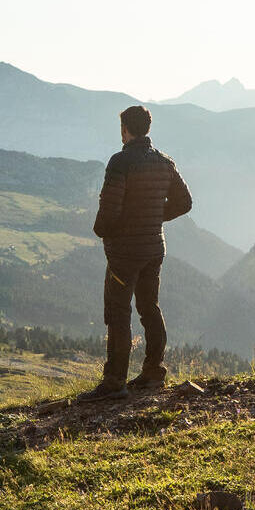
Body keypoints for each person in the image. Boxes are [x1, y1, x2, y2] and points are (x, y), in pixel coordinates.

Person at [91, 103, 193, 397]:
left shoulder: (120, 162)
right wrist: (154, 216)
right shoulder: (165, 162)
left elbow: (109, 209)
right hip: (153, 248)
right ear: (146, 129)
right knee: (149, 308)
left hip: (125, 252)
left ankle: (114, 382)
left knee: (119, 312)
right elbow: (184, 202)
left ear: (125, 129)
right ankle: (153, 373)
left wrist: (103, 231)